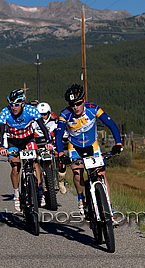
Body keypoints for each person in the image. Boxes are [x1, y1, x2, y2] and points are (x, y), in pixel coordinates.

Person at [55, 84, 123, 215]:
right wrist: (61, 153)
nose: (76, 107)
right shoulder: (65, 114)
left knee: (101, 174)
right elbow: (58, 135)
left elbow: (111, 124)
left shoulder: (93, 109)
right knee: (77, 173)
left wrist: (118, 143)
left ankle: (109, 206)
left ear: (83, 101)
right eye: (72, 104)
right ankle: (81, 199)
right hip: (75, 147)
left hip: (93, 145)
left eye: (78, 103)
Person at [0, 89, 53, 211]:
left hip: (28, 140)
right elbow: (0, 132)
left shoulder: (31, 110)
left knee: (34, 161)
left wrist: (49, 141)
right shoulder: (5, 112)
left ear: (23, 103)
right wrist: (1, 147)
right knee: (15, 168)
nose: (13, 107)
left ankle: (39, 191)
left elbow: (43, 127)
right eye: (11, 104)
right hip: (13, 142)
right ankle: (17, 194)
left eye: (16, 104)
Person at [32, 102, 67, 194]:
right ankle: (36, 183)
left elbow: (61, 132)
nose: (43, 116)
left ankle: (61, 181)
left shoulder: (54, 121)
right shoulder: (33, 122)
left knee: (62, 161)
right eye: (40, 114)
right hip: (38, 146)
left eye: (45, 114)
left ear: (49, 113)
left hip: (51, 145)